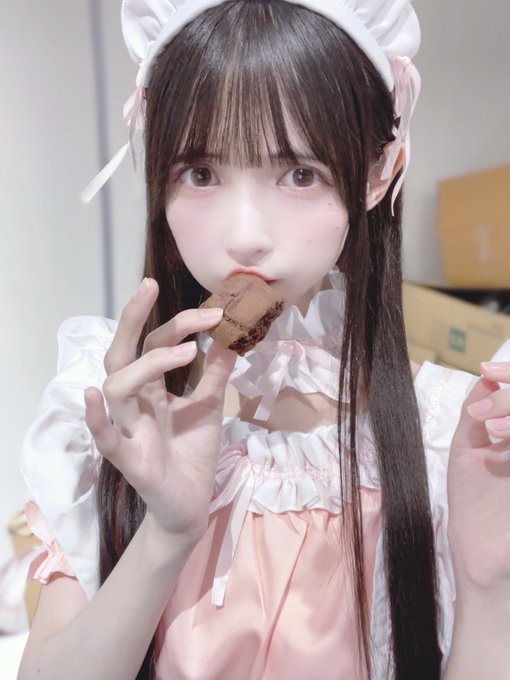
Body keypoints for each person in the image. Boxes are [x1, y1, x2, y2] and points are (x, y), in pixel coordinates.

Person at [17, 1, 510, 679]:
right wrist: (166, 534)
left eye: (299, 173)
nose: (245, 234)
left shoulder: (452, 440)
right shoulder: (107, 410)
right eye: (201, 173)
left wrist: (488, 586)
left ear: (380, 172)